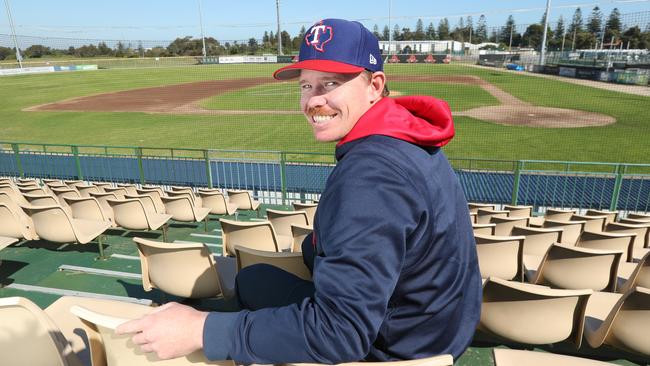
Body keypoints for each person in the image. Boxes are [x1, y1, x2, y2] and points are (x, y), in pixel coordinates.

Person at [117, 18, 481, 364]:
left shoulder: (370, 177)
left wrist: (205, 328)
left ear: (374, 86)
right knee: (257, 277)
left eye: (331, 83)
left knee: (250, 283)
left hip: (395, 349)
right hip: (439, 331)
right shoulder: (407, 137)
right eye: (306, 85)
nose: (313, 101)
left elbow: (342, 332)